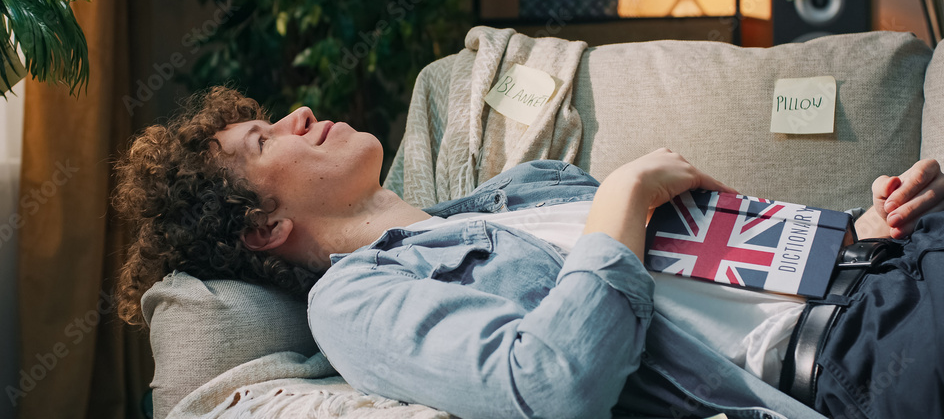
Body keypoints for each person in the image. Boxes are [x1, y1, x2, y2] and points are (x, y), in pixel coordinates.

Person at [114, 86, 944, 419]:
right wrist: (623, 196)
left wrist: (864, 230)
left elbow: (723, 269)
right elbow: (552, 383)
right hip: (859, 358)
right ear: (263, 227)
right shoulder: (354, 302)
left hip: (883, 270)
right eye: (264, 138)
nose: (298, 112)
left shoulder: (522, 186)